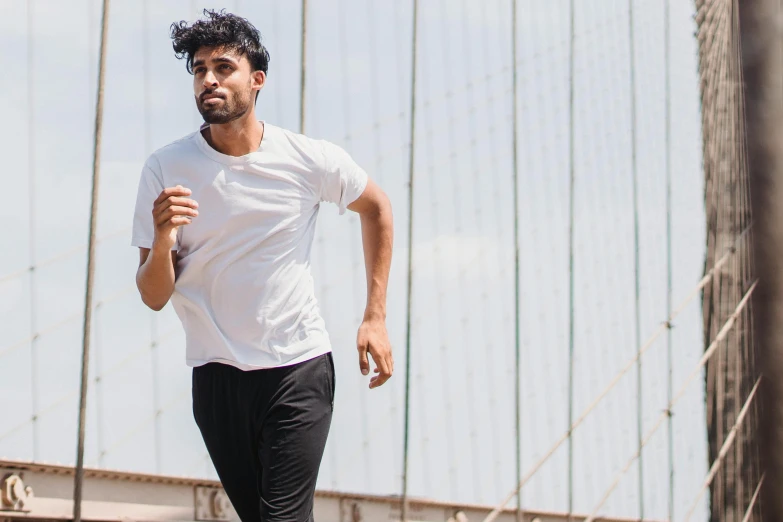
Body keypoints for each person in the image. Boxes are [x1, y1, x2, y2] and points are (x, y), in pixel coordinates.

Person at [130, 9, 394, 521]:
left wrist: (374, 315)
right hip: (216, 376)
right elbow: (153, 294)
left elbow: (377, 208)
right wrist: (162, 238)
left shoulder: (307, 158)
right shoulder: (166, 168)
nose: (208, 79)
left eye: (223, 67)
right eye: (199, 69)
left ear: (257, 79)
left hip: (297, 367)